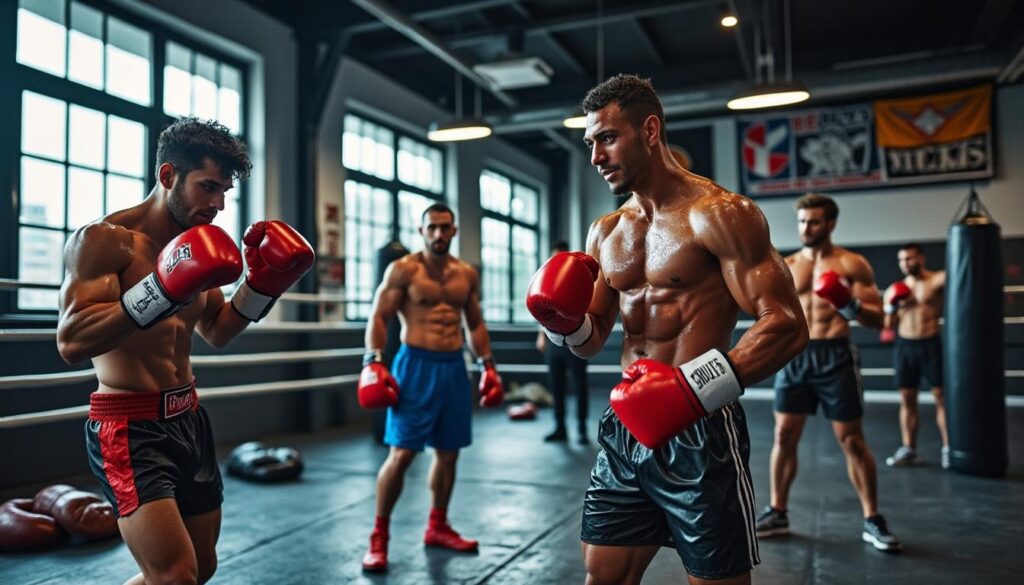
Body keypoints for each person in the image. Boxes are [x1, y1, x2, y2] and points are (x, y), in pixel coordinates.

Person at [527, 74, 807, 585]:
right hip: (624, 428)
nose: (595, 157)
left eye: (607, 138)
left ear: (649, 130)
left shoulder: (720, 214)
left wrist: (687, 392)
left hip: (699, 431)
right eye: (590, 143)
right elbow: (591, 340)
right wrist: (562, 324)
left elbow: (786, 325)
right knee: (603, 575)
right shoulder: (606, 231)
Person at [56, 117, 314, 585]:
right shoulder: (104, 240)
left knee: (201, 567)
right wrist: (160, 288)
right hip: (128, 426)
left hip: (188, 418)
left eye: (224, 193)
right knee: (175, 575)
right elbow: (71, 341)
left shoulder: (196, 248)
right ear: (168, 176)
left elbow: (217, 330)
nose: (217, 204)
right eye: (208, 187)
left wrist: (262, 286)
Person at [357, 203, 504, 573]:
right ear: (421, 231)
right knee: (402, 455)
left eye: (445, 228)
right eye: (432, 228)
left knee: (449, 452)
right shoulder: (404, 269)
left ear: (454, 231)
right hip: (415, 367)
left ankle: (437, 526)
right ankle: (379, 537)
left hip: (454, 367)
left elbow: (475, 323)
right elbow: (380, 315)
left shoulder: (466, 274)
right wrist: (374, 359)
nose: (439, 234)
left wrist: (487, 365)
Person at [756, 193, 902, 552]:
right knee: (784, 436)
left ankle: (872, 518)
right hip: (796, 355)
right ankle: (777, 511)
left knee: (851, 440)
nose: (807, 228)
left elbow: (877, 318)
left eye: (814, 222)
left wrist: (848, 303)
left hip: (835, 356)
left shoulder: (852, 264)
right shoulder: (786, 264)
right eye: (803, 221)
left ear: (831, 224)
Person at [882, 243, 948, 468]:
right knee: (907, 399)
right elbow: (888, 325)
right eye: (902, 260)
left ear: (921, 258)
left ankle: (948, 448)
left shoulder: (936, 280)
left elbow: (957, 276)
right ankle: (909, 448)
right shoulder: (895, 289)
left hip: (931, 343)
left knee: (941, 397)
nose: (906, 263)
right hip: (905, 346)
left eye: (910, 258)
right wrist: (892, 306)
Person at [535, 240, 591, 444]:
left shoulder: (577, 278)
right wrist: (541, 335)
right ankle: (560, 427)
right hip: (553, 342)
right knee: (556, 386)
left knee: (579, 385)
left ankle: (582, 428)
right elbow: (541, 310)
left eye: (561, 257)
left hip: (575, 341)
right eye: (554, 257)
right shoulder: (545, 278)